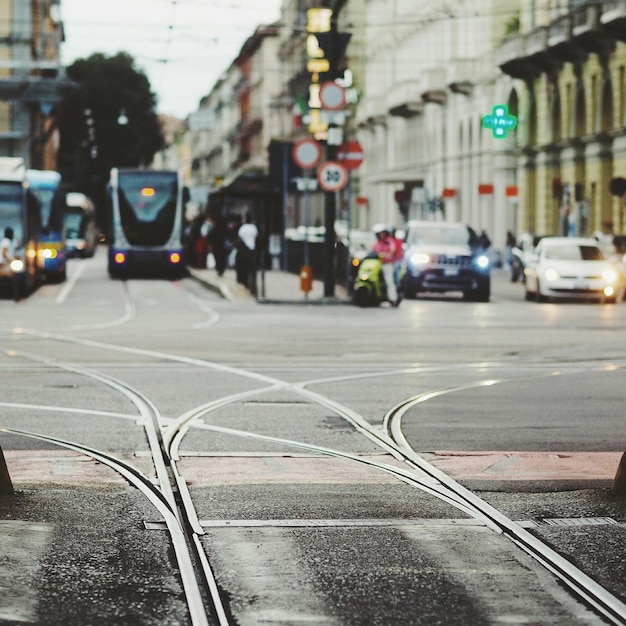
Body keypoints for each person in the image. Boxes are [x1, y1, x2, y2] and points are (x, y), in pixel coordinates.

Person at [371, 223, 399, 307]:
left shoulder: (389, 241)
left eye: (382, 233)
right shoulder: (377, 243)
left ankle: (393, 298)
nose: (381, 235)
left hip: (387, 264)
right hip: (377, 264)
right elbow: (373, 251)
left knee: (388, 280)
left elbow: (392, 249)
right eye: (379, 233)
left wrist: (387, 254)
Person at [236, 212, 258, 294]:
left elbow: (240, 238)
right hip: (252, 249)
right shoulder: (254, 228)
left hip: (244, 250)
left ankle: (246, 284)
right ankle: (253, 285)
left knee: (245, 268)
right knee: (252, 269)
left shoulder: (243, 228)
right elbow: (255, 238)